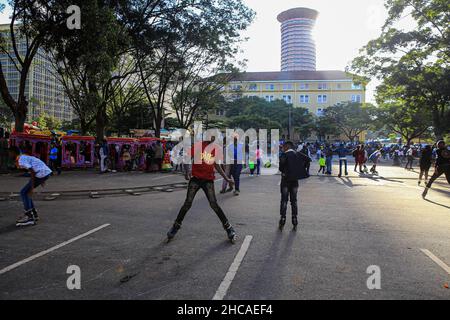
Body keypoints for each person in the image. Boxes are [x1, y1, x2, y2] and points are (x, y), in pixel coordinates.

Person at [166, 137, 237, 243]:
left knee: (214, 204)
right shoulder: (198, 146)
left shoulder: (216, 148)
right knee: (187, 203)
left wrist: (226, 178)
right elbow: (187, 158)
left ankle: (229, 228)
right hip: (196, 179)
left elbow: (216, 165)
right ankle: (176, 226)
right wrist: (187, 170)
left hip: (208, 180)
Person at [9, 146, 52, 227]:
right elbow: (36, 163)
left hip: (41, 173)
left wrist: (32, 188)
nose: (9, 155)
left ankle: (30, 217)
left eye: (10, 153)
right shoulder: (23, 157)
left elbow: (32, 171)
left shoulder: (21, 159)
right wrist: (43, 179)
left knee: (23, 192)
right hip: (44, 172)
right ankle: (33, 214)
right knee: (26, 192)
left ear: (14, 153)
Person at [279, 141, 309, 231]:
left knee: (284, 200)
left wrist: (284, 169)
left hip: (285, 180)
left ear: (287, 147)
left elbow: (281, 167)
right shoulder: (298, 154)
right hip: (294, 181)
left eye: (283, 147)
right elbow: (308, 159)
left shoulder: (284, 155)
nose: (283, 149)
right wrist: (300, 168)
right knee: (294, 200)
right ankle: (294, 218)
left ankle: (283, 218)